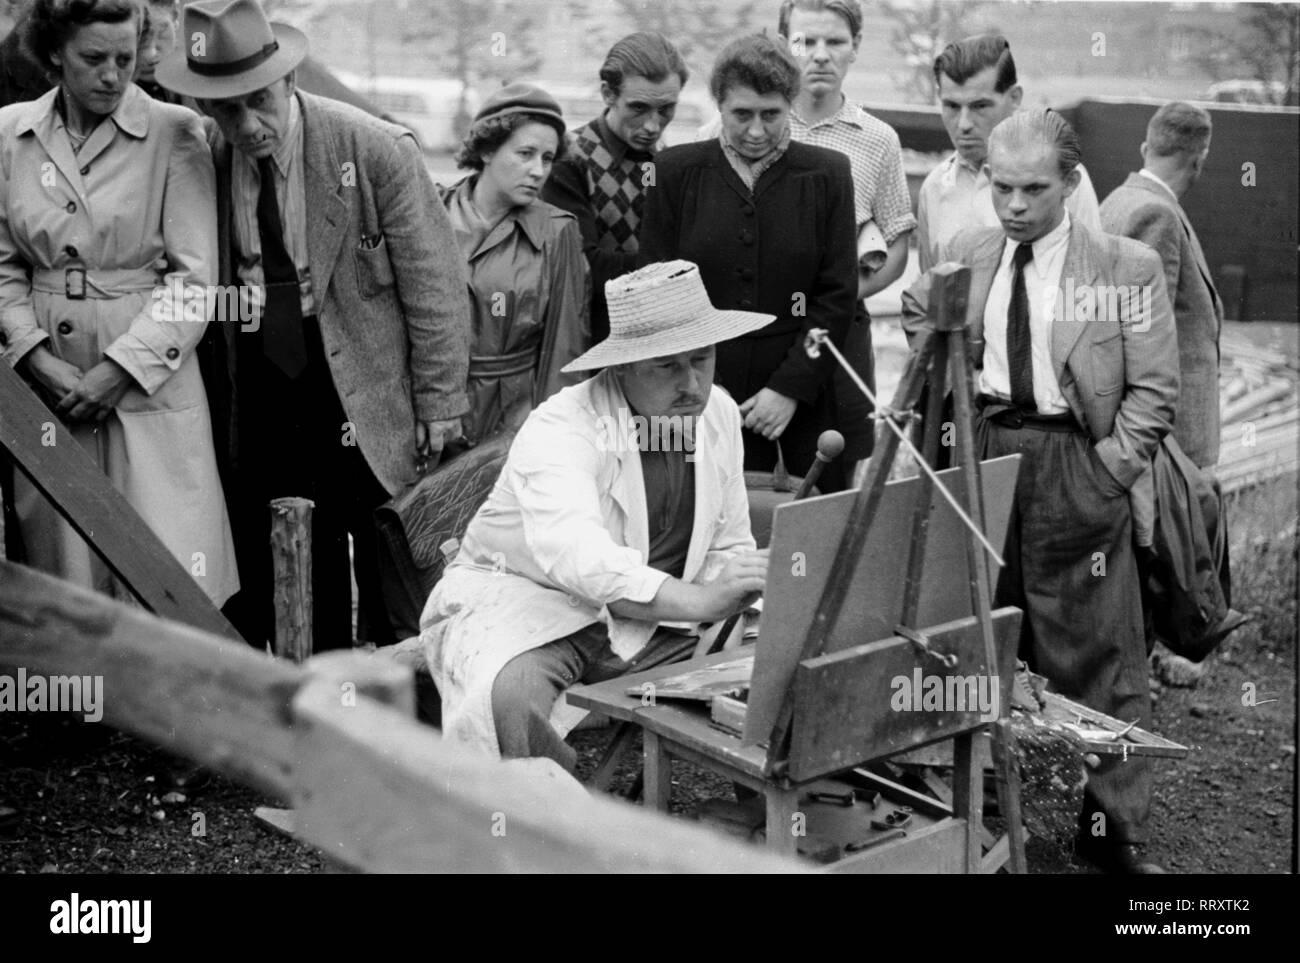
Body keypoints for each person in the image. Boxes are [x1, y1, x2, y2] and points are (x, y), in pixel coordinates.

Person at [903, 110, 1179, 874]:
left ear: (1071, 183)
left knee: (1097, 650)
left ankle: (1111, 832)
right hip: (986, 452)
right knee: (974, 632)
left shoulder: (1125, 267)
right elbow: (922, 316)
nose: (1015, 205)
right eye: (1002, 187)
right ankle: (971, 806)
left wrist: (1106, 474)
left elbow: (1156, 392)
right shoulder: (968, 250)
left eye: (1033, 189)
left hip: (1073, 461)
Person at [156, 0, 471, 650]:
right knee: (294, 540)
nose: (246, 124)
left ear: (288, 80)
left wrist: (440, 403)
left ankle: (400, 704)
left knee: (385, 547)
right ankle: (318, 693)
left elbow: (434, 286)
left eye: (258, 101)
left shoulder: (373, 148)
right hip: (265, 379)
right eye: (224, 108)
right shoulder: (205, 157)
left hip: (363, 380)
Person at [420, 261, 769, 768]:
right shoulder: (563, 425)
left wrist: (742, 583)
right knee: (508, 700)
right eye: (667, 366)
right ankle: (541, 825)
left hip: (653, 620)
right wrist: (701, 599)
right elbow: (577, 555)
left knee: (777, 657)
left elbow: (728, 541)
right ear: (623, 366)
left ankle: (763, 818)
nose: (693, 384)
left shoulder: (717, 412)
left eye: (702, 358)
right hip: (532, 600)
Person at [0, 0, 237, 606]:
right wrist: (30, 353)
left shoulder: (174, 132)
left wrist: (121, 368)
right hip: (50, 381)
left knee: (167, 569)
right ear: (55, 54)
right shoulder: (9, 134)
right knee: (66, 576)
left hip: (149, 377)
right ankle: (81, 702)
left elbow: (193, 280)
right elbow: (3, 269)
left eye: (125, 58)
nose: (112, 75)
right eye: (94, 58)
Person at [639, 34, 858, 491]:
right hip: (692, 394)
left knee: (797, 534)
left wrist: (790, 388)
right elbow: (655, 291)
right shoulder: (674, 172)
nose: (756, 131)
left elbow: (836, 296)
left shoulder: (829, 174)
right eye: (742, 114)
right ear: (718, 103)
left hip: (799, 404)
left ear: (790, 104)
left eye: (771, 115)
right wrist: (699, 388)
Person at [777, 0, 915, 468]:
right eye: (805, 41)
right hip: (763, 327)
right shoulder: (751, 125)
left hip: (839, 336)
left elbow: (898, 241)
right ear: (783, 44)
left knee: (832, 467)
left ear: (854, 48)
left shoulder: (877, 139)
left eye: (834, 42)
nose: (819, 55)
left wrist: (843, 295)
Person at [444, 83, 590, 444]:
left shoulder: (557, 232)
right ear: (488, 149)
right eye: (525, 153)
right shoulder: (432, 213)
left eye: (547, 158)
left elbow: (565, 348)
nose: (538, 171)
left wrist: (550, 440)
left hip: (515, 420)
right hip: (435, 414)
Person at [542, 32, 687, 345]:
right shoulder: (569, 159)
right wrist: (677, 265)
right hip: (587, 342)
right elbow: (583, 268)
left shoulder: (668, 160)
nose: (652, 126)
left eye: (665, 110)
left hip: (652, 340)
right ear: (608, 93)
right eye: (638, 108)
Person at [1100, 102, 1221, 471]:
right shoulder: (1158, 215)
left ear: (1145, 149)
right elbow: (1147, 345)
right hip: (1171, 446)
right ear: (1199, 161)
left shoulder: (1118, 201)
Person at [916, 34, 1102, 273]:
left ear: (1014, 98)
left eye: (980, 106)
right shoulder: (934, 187)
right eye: (951, 106)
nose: (963, 124)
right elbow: (931, 291)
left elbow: (1092, 276)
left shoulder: (1062, 177)